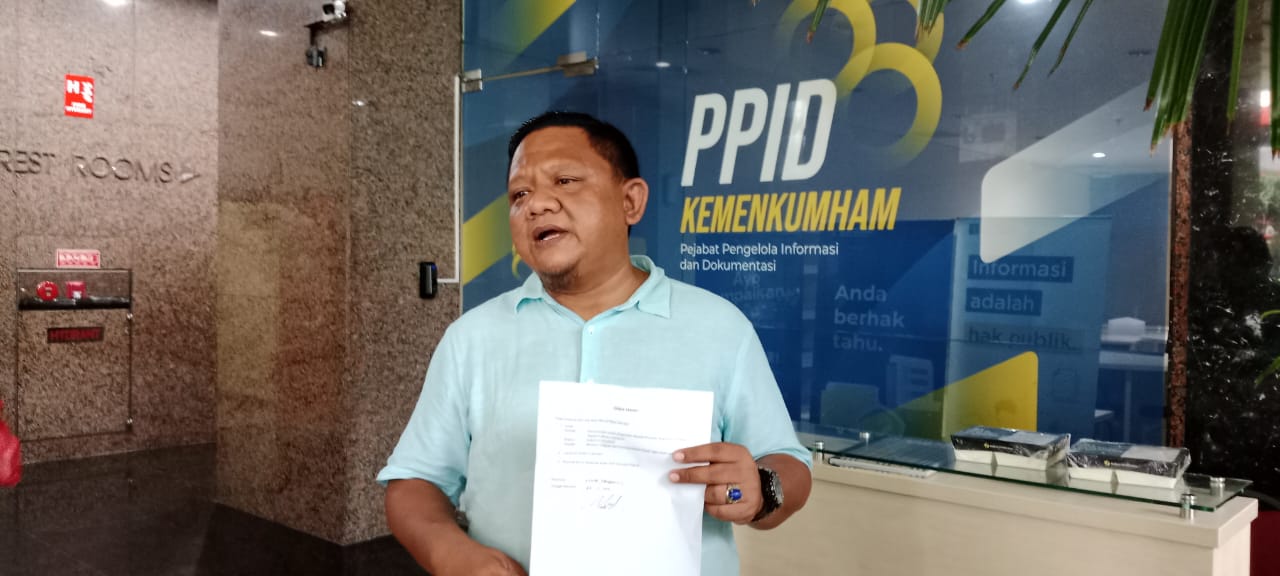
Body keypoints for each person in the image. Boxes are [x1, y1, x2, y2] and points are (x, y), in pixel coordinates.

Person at [378, 111, 812, 576]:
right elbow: (414, 481)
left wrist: (761, 490)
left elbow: (790, 466)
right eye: (520, 194)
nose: (536, 205)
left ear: (631, 201)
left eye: (564, 181)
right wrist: (449, 553)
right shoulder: (472, 338)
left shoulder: (719, 327)